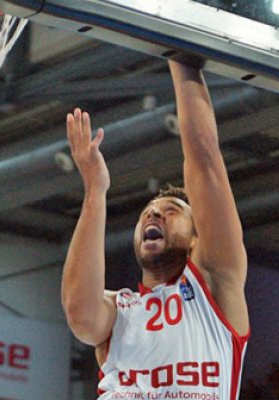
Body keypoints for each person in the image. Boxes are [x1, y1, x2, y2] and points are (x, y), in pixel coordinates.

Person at [61, 60, 250, 399]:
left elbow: (204, 159)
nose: (154, 215)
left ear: (197, 238)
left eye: (171, 211)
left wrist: (182, 60)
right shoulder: (119, 309)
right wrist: (95, 190)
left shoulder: (217, 285)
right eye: (148, 213)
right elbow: (79, 314)